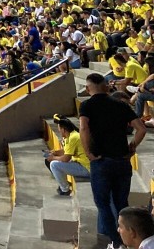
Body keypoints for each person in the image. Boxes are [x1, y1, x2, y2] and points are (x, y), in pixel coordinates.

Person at [79, 72, 147, 249]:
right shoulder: (120, 105)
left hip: (101, 161)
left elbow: (83, 128)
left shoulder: (86, 106)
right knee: (121, 203)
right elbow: (141, 129)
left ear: (88, 88)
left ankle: (116, 243)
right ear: (106, 86)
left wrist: (88, 153)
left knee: (103, 204)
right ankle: (129, 240)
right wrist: (132, 147)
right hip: (122, 160)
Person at [46, 115, 90, 195]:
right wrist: (55, 153)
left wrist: (53, 157)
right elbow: (66, 151)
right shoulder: (70, 135)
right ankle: (64, 184)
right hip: (79, 164)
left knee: (54, 165)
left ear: (63, 129)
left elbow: (66, 158)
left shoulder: (73, 137)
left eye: (59, 128)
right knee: (55, 162)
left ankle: (65, 190)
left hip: (86, 168)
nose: (58, 130)